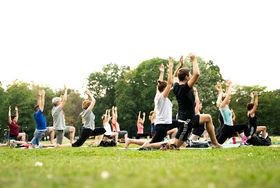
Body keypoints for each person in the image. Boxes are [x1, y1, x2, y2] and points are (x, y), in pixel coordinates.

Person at [172, 54, 221, 148]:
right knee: (174, 146)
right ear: (186, 77)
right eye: (189, 75)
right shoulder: (184, 88)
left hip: (189, 118)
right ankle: (150, 145)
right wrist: (194, 60)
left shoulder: (175, 86)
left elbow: (175, 75)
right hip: (186, 122)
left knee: (208, 117)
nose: (191, 76)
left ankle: (215, 143)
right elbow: (197, 74)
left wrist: (180, 65)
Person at [125, 58, 175, 149]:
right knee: (152, 144)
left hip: (162, 124)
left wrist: (162, 72)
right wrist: (171, 66)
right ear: (164, 89)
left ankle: (130, 141)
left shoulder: (158, 94)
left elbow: (159, 84)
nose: (169, 89)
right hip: (162, 125)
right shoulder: (162, 97)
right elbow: (169, 83)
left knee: (154, 142)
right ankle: (138, 147)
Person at [215, 80, 250, 145]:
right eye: (228, 99)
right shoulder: (222, 106)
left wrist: (226, 87)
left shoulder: (226, 106)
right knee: (218, 144)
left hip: (230, 127)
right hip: (227, 128)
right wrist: (230, 85)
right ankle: (249, 137)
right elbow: (228, 95)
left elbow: (225, 94)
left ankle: (248, 138)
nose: (229, 99)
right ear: (224, 100)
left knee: (245, 126)